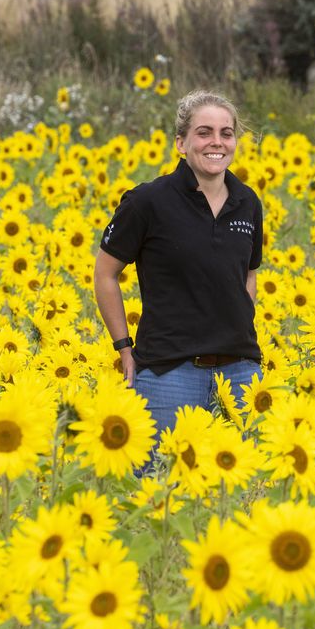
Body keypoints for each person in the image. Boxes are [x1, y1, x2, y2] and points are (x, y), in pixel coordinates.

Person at [93, 90, 263, 451]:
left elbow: (249, 273)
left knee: (239, 488)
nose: (216, 142)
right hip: (169, 373)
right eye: (204, 132)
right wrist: (123, 347)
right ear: (181, 143)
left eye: (226, 133)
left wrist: (242, 320)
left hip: (241, 372)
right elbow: (105, 273)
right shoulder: (147, 202)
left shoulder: (247, 202)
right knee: (160, 487)